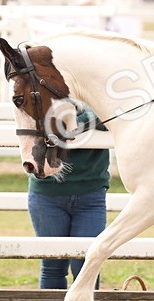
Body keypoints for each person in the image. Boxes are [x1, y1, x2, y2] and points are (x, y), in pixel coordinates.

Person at [26, 110, 110, 290]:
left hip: (91, 194)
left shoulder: (94, 89)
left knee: (87, 266)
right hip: (47, 195)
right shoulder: (46, 89)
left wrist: (71, 123)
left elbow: (107, 117)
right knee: (52, 267)